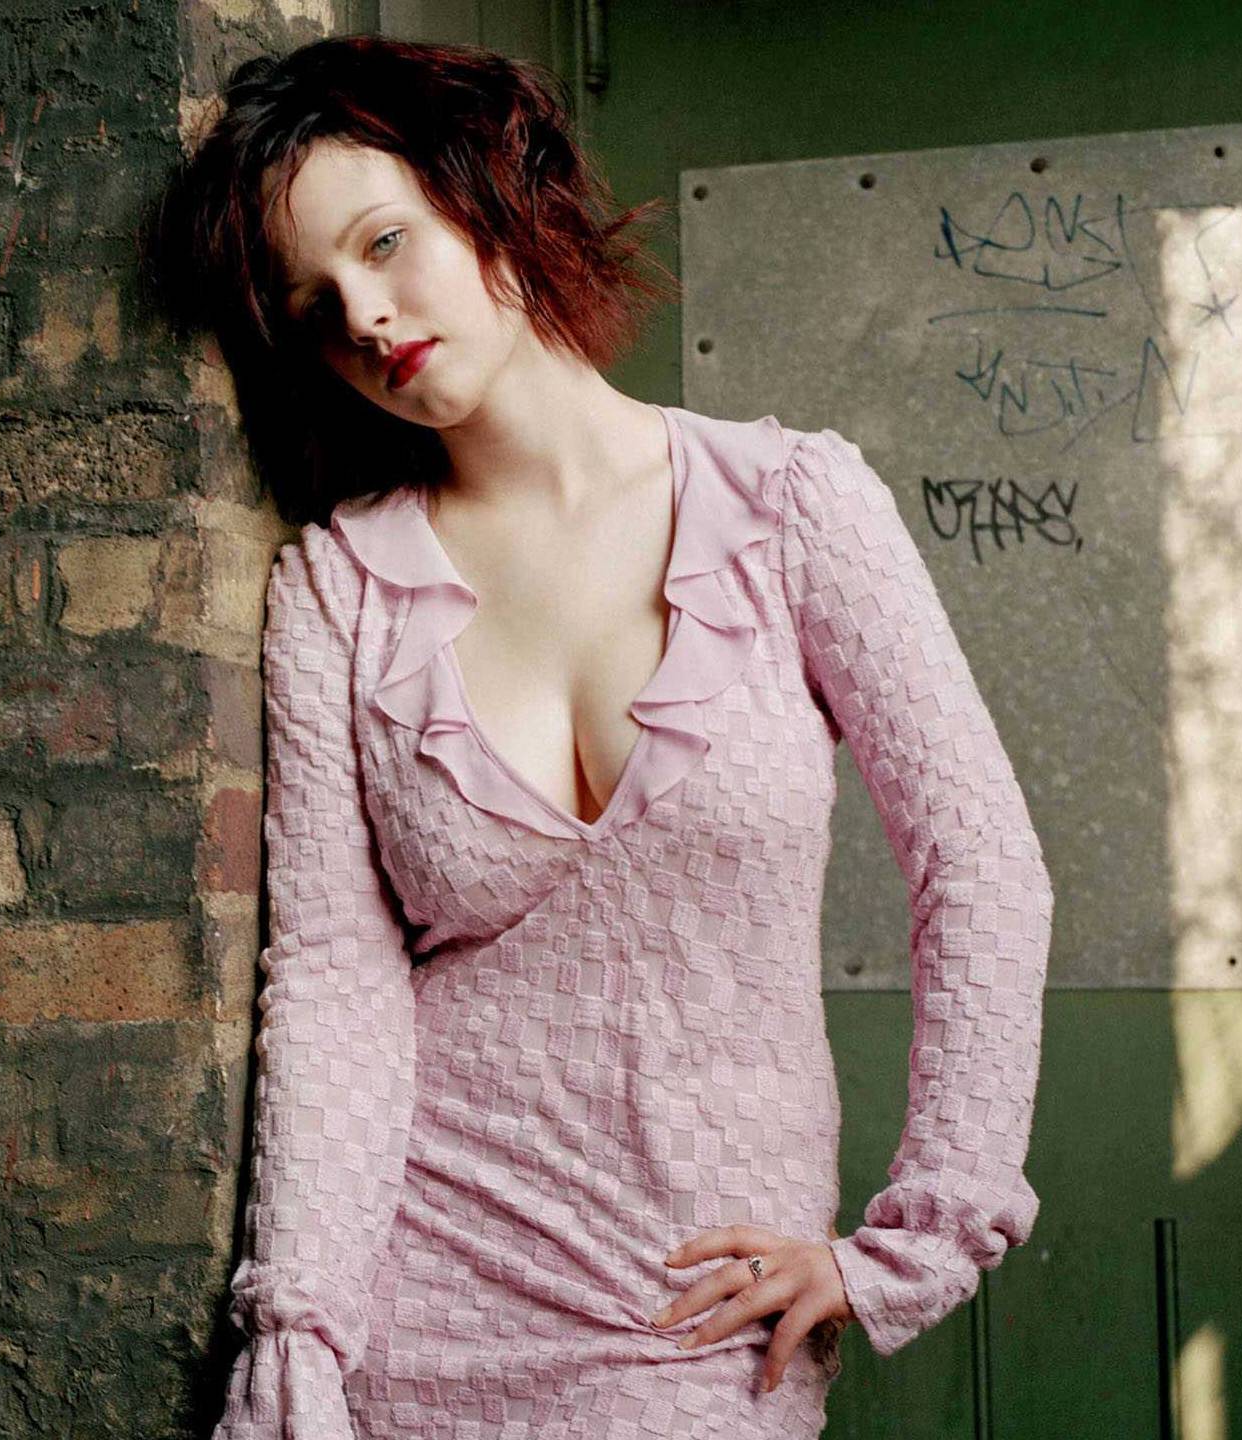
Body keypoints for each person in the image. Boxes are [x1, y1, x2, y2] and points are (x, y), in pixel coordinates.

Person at [150, 33, 1055, 1440]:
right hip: (420, 1309)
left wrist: (922, 1235)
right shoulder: (337, 592)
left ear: (487, 194)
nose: (368, 316)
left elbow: (981, 864)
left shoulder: (797, 509)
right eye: (318, 303)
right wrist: (302, 1330)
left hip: (701, 1320)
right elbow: (335, 983)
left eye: (386, 243)